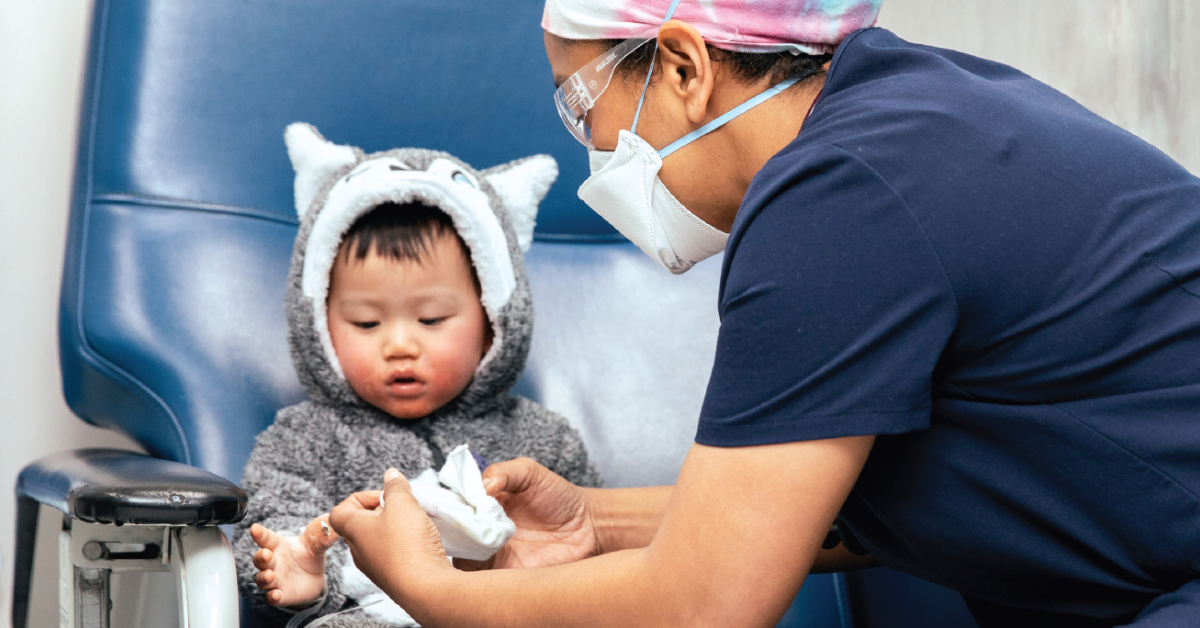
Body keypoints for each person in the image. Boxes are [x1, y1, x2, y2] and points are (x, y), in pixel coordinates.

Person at [328, 0, 1200, 626]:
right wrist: (593, 522)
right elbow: (812, 511)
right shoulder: (904, 111)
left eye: (579, 102)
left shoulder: (838, 201)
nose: (591, 143)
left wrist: (435, 592)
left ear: (683, 65)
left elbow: (707, 602)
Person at [233, 124, 602, 627]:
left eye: (431, 320)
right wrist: (306, 571)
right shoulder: (301, 440)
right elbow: (273, 531)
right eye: (366, 323)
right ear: (319, 326)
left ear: (493, 321)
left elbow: (598, 554)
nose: (400, 346)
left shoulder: (543, 442)